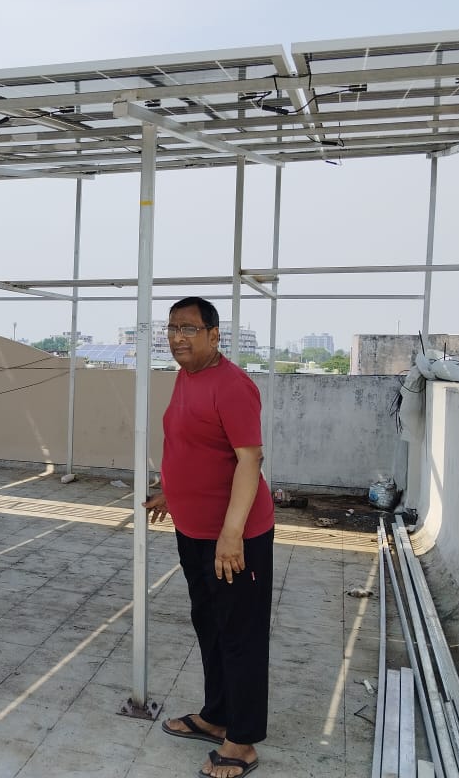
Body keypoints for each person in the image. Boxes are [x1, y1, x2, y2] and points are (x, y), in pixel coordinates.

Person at [143, 296, 274, 778]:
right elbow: (193, 445)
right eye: (173, 327)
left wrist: (232, 534)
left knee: (241, 635)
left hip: (235, 538)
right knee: (210, 625)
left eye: (190, 328)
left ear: (215, 335)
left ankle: (242, 742)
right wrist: (172, 493)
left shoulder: (233, 385)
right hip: (193, 530)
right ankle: (218, 716)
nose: (178, 336)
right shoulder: (186, 376)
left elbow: (249, 460)